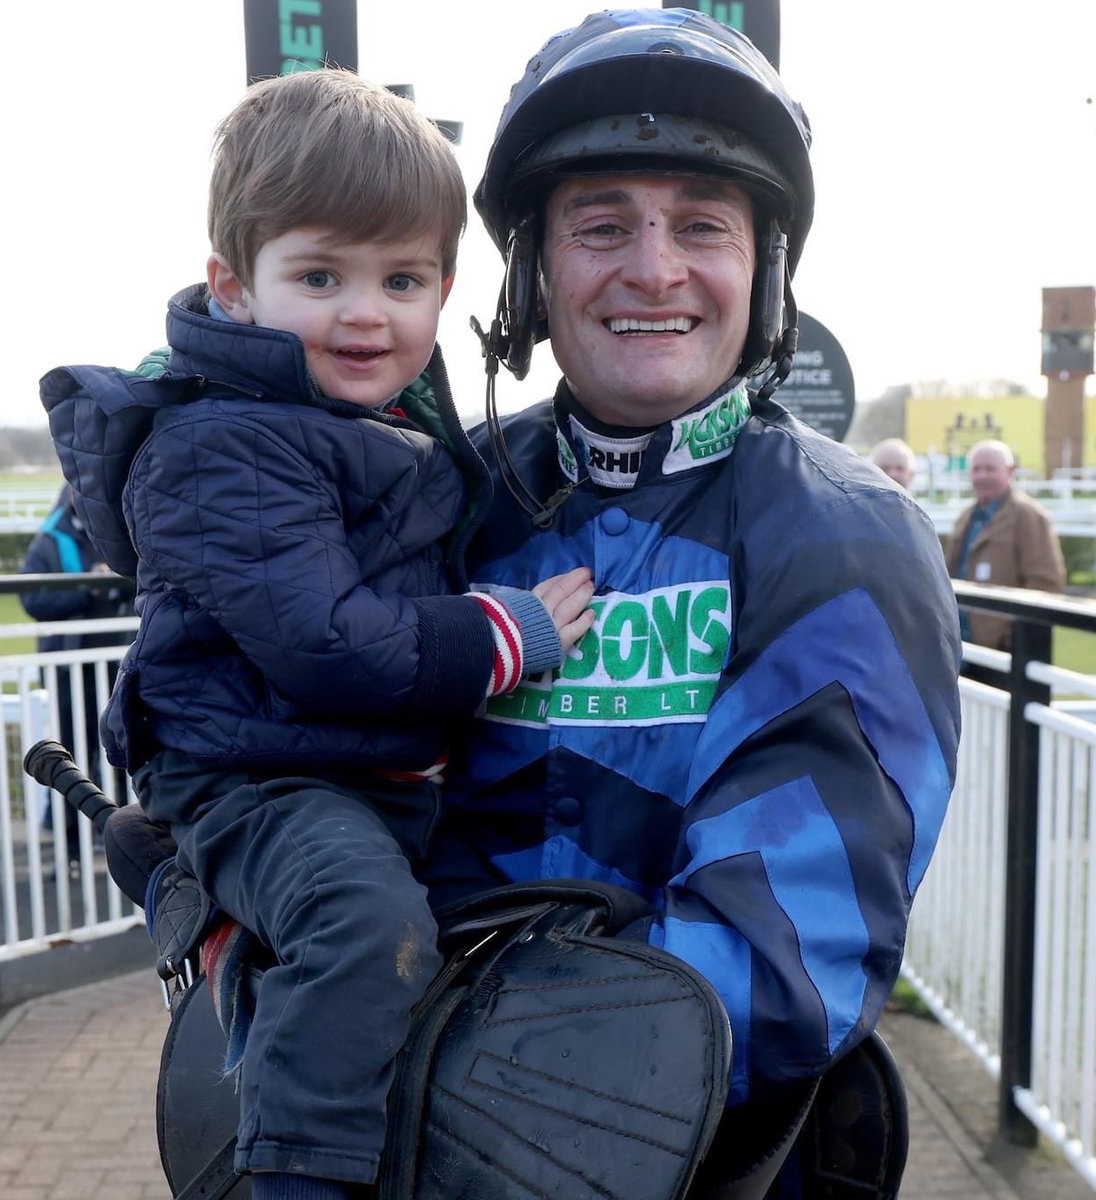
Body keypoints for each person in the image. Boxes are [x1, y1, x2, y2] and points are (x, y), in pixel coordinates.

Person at [415, 9, 961, 1190]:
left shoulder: (846, 534)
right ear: (533, 271)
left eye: (702, 224)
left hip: (686, 1156)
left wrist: (435, 1059)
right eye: (601, 224)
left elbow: (781, 955)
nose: (653, 269)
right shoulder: (442, 498)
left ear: (766, 270)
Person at [40, 70, 594, 1200]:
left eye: (402, 279)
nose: (366, 312)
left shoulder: (378, 426)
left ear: (444, 288)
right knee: (362, 930)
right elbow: (326, 644)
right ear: (234, 288)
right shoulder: (224, 444)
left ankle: (183, 882)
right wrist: (503, 634)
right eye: (321, 276)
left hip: (348, 767)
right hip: (260, 773)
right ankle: (297, 1176)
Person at [20, 484, 132, 868]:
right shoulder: (50, 540)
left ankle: (124, 842)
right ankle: (70, 849)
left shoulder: (116, 531)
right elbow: (32, 600)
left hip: (116, 665)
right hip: (70, 668)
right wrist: (88, 587)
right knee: (72, 755)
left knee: (119, 752)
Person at [946, 438, 1066, 649]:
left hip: (1001, 649)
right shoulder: (966, 517)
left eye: (990, 469)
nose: (982, 476)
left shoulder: (1028, 516)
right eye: (976, 469)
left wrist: (1010, 637)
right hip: (962, 645)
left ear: (1010, 471)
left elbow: (1045, 583)